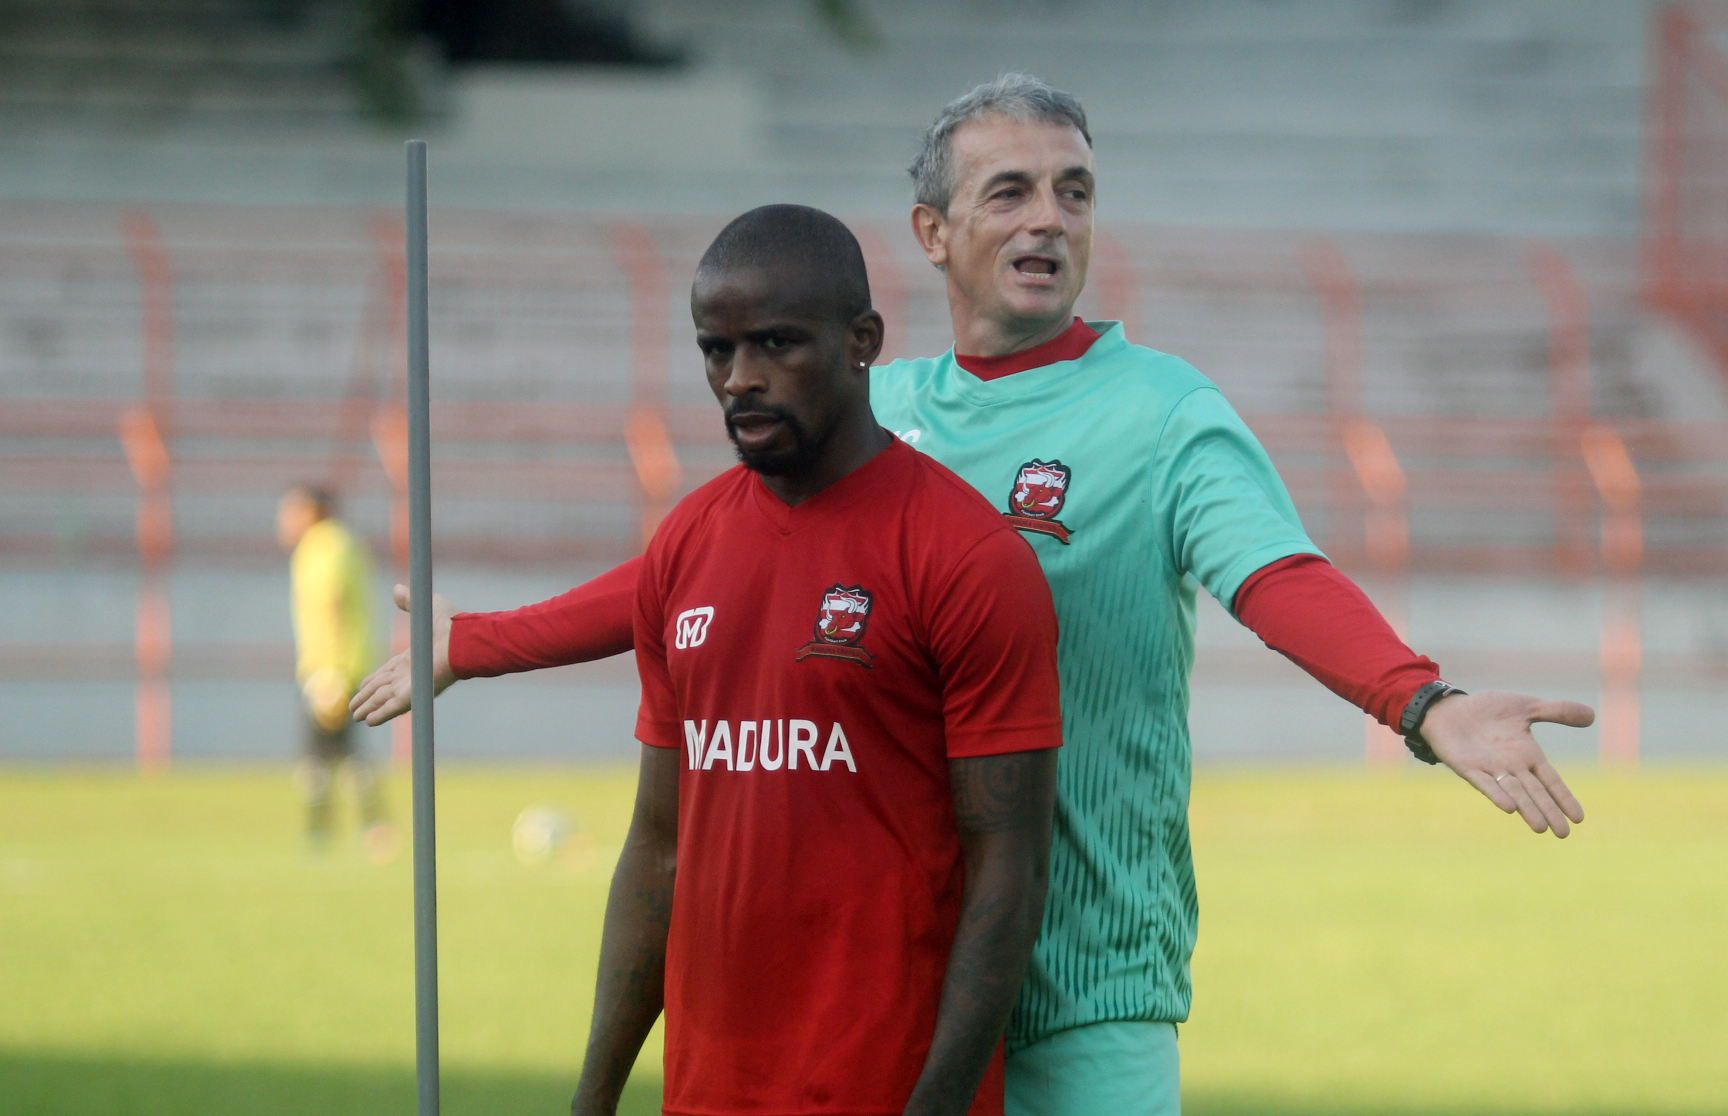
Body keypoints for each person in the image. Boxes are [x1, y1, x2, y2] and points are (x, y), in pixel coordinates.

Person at [353, 77, 1594, 1115]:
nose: (1046, 218)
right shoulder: (872, 409)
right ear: (932, 233)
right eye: (1008, 190)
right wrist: (475, 642)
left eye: (1074, 191)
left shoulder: (1159, 414)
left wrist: (1421, 704)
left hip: (1087, 969)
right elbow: (698, 578)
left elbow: (1276, 574)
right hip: (895, 988)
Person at [571, 205, 1063, 1116]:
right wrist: (593, 1098)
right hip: (708, 1093)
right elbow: (659, 847)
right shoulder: (684, 546)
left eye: (776, 345)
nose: (741, 380)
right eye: (716, 352)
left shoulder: (968, 558)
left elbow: (1011, 866)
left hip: (880, 1086)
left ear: (861, 341)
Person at [276, 484, 384, 850]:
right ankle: (372, 828)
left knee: (322, 758)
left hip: (332, 671)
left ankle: (327, 833)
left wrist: (330, 673)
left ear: (312, 511)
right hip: (345, 665)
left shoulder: (323, 545)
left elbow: (332, 603)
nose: (284, 520)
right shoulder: (343, 542)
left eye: (291, 511)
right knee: (344, 754)